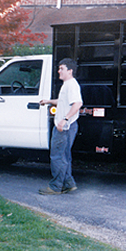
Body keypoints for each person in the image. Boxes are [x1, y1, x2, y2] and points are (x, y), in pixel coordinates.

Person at [39, 58, 83, 195]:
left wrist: (64, 119)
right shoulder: (67, 85)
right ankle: (69, 184)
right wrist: (48, 101)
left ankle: (56, 187)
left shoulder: (71, 85)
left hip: (64, 128)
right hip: (66, 127)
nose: (59, 71)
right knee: (64, 156)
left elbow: (78, 104)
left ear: (70, 71)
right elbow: (63, 101)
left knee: (57, 156)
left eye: (61, 69)